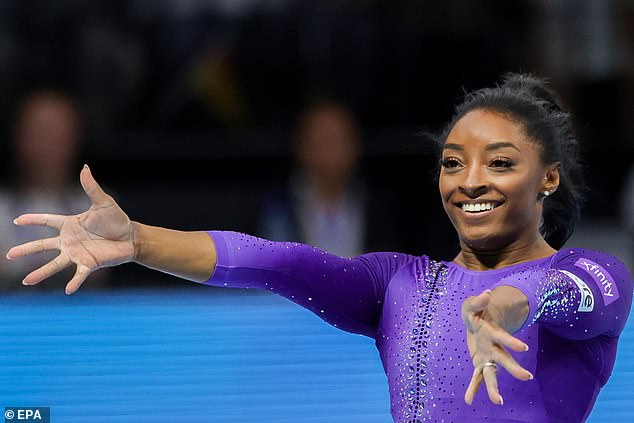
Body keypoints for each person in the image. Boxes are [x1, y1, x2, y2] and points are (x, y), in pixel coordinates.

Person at [6, 74, 632, 422]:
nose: (470, 181)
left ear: (547, 176)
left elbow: (564, 294)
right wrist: (140, 240)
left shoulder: (594, 273)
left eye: (499, 162)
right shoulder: (400, 284)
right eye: (452, 162)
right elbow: (270, 261)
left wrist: (505, 305)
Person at [258, 100, 398, 256]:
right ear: (301, 145)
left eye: (339, 140)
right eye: (323, 141)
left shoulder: (377, 206)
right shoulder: (275, 206)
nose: (331, 150)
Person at [0, 90, 91, 291]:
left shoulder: (94, 205)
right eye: (41, 132)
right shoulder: (2, 209)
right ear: (19, 137)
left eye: (59, 133)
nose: (49, 143)